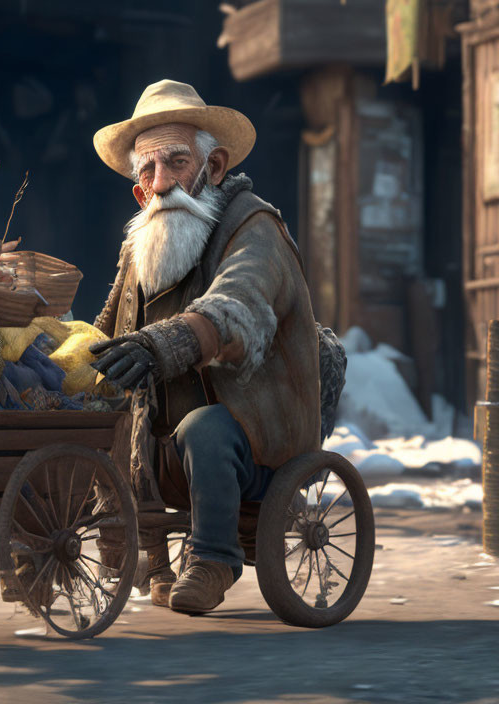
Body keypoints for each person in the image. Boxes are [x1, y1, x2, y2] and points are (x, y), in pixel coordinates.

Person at [89, 80, 322, 614]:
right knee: (104, 417)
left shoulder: (253, 226)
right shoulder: (139, 245)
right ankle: (150, 556)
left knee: (205, 426)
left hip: (256, 439)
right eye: (147, 170)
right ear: (138, 191)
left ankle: (214, 559)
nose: (161, 181)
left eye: (175, 162)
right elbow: (108, 330)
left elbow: (237, 303)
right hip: (169, 451)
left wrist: (160, 343)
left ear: (213, 167)